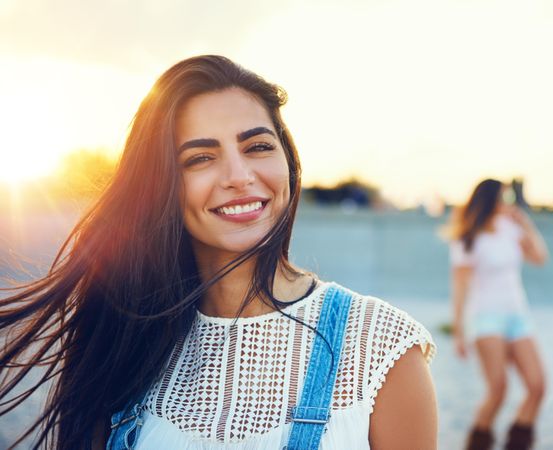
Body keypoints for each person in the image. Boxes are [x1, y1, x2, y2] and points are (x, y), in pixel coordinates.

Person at [0, 55, 437, 450]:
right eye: (200, 158)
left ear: (288, 160)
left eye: (258, 146)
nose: (239, 176)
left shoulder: (381, 347)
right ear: (161, 185)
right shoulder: (123, 338)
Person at [448, 179, 548, 450]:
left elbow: (540, 257)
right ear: (490, 200)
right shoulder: (468, 237)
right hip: (485, 318)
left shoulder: (511, 228)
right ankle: (477, 443)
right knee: (498, 390)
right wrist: (459, 331)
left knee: (537, 386)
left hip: (518, 315)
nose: (509, 204)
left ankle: (516, 444)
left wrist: (526, 224)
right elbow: (460, 287)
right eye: (505, 198)